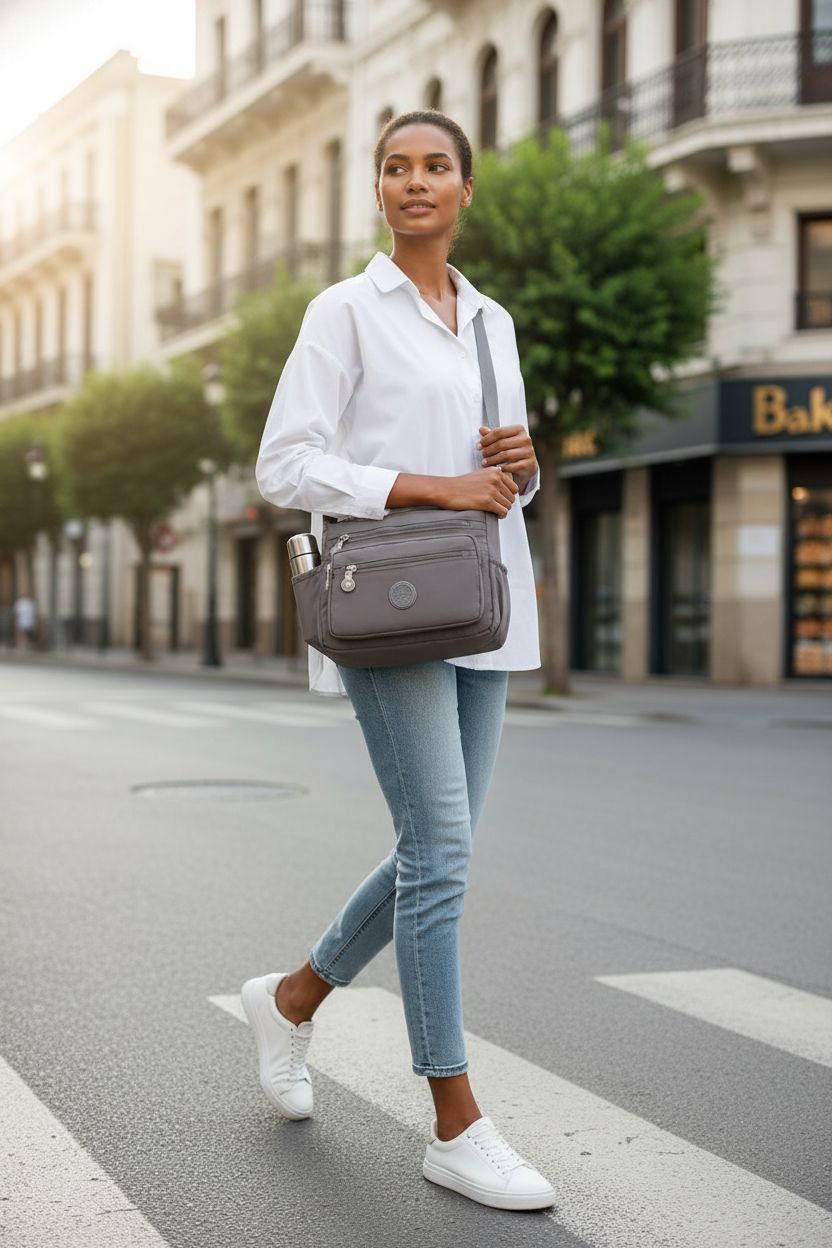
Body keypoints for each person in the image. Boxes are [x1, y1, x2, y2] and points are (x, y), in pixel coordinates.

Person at [245, 110, 555, 1212]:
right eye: (395, 167)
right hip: (387, 603)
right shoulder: (344, 313)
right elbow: (286, 460)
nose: (414, 181)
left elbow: (499, 479)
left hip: (480, 604)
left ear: (466, 189)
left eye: (434, 166)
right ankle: (453, 1119)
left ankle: (288, 999)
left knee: (440, 848)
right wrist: (429, 486)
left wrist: (523, 466)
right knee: (443, 847)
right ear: (378, 191)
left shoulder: (492, 324)